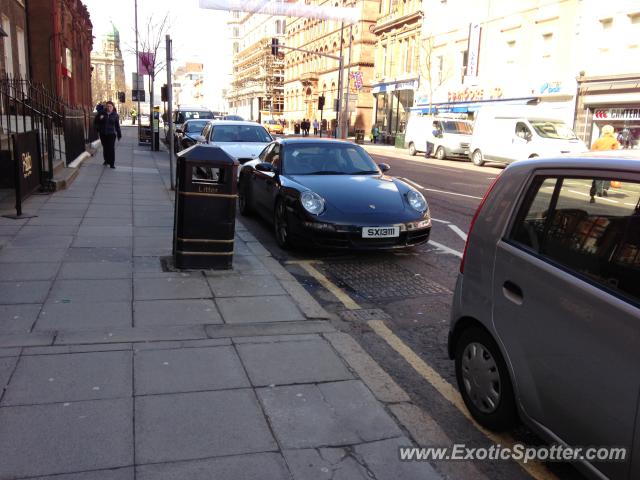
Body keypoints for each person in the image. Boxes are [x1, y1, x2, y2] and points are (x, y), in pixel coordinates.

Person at [589, 124, 620, 203]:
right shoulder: (614, 141)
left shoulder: (598, 140)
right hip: (609, 161)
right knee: (608, 176)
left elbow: (592, 150)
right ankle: (605, 189)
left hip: (598, 161)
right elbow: (616, 151)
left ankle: (593, 194)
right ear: (611, 131)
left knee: (597, 177)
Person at [95, 101, 122, 169]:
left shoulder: (115, 115)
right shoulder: (101, 114)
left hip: (111, 134)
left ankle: (112, 163)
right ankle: (106, 160)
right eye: (107, 106)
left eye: (110, 106)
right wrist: (98, 128)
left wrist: (119, 134)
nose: (109, 108)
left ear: (113, 107)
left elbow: (117, 125)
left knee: (111, 148)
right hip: (103, 134)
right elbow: (96, 122)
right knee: (105, 148)